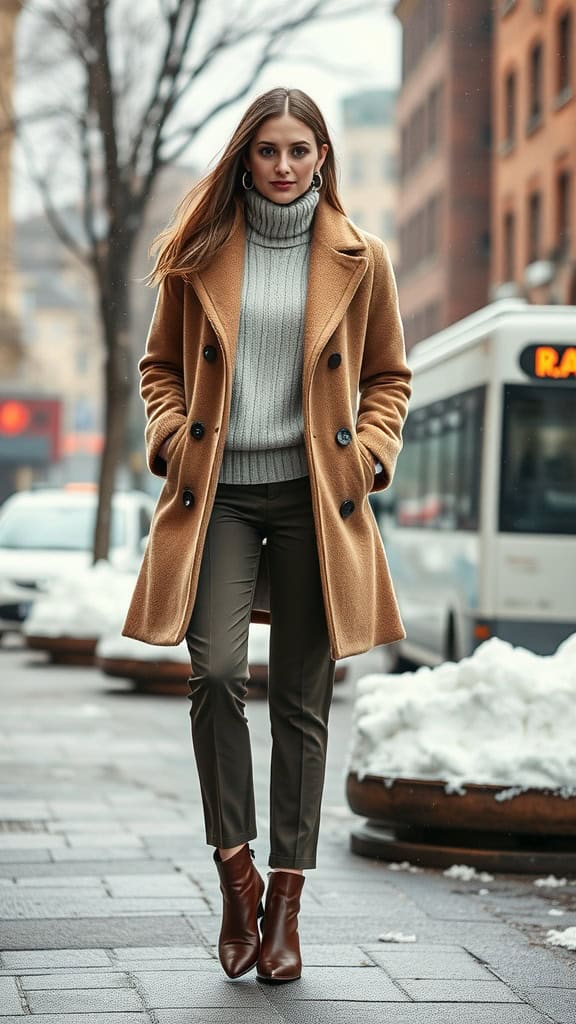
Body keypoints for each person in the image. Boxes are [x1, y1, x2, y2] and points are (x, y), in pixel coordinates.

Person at [122, 86, 412, 984]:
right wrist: (171, 437)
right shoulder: (197, 253)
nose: (284, 167)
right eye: (267, 151)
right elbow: (158, 370)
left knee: (303, 704)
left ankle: (285, 902)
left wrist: (366, 455)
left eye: (300, 150)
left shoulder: (365, 259)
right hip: (220, 500)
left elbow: (389, 379)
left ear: (323, 156)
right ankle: (234, 872)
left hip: (317, 503)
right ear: (245, 157)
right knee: (212, 672)